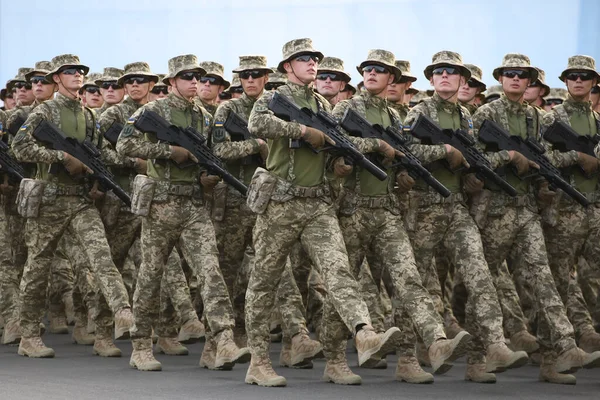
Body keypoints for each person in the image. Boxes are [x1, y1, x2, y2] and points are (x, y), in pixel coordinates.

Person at [332, 49, 471, 384]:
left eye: (380, 70)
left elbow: (397, 160)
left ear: (391, 78)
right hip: (353, 209)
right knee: (344, 286)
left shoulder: (396, 116)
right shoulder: (345, 108)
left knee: (409, 280)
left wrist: (401, 176)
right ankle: (335, 359)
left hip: (387, 209)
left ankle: (425, 348)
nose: (372, 73)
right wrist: (376, 146)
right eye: (367, 68)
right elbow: (336, 148)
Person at [472, 53, 600, 385]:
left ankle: (560, 351)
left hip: (526, 208)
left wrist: (543, 180)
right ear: (501, 78)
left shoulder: (536, 118)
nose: (516, 79)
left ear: (531, 82)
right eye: (510, 73)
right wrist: (510, 156)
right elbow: (474, 162)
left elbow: (543, 159)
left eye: (522, 75)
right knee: (481, 285)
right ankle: (475, 358)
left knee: (545, 280)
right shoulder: (486, 114)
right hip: (495, 210)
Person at [116, 54, 249, 372]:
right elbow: (124, 144)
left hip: (193, 204)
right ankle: (141, 345)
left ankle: (223, 341)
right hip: (160, 204)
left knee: (211, 272)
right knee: (151, 275)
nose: (195, 82)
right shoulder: (153, 110)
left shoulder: (204, 116)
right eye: (187, 77)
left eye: (198, 77)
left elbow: (211, 154)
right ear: (172, 81)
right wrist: (168, 151)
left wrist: (208, 174)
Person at [404, 50, 528, 383]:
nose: (445, 76)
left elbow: (472, 158)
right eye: (439, 71)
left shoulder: (466, 116)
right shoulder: (419, 112)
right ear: (431, 79)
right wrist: (444, 151)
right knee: (415, 284)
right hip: (424, 207)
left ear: (463, 81)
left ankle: (488, 350)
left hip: (456, 206)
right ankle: (406, 357)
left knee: (480, 277)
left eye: (452, 72)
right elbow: (406, 152)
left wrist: (473, 175)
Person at [12, 54, 134, 358]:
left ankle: (119, 316)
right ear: (57, 79)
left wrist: (96, 180)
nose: (77, 75)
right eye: (70, 71)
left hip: (80, 201)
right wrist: (62, 158)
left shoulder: (88, 115)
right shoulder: (45, 113)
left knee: (101, 258)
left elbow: (101, 154)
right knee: (38, 268)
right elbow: (20, 146)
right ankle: (28, 335)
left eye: (80, 71)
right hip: (49, 200)